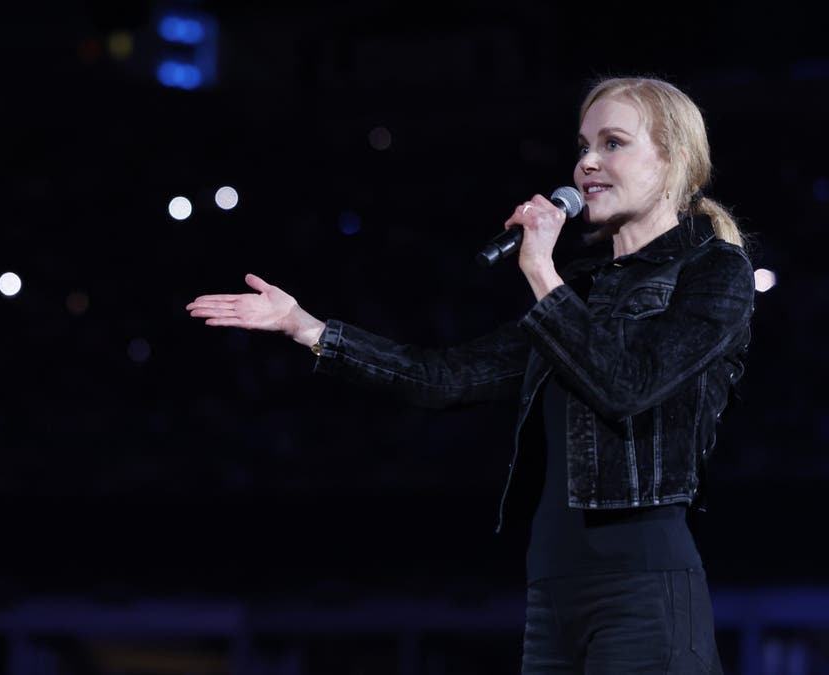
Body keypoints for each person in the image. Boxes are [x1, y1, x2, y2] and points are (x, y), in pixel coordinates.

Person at [186, 76, 754, 673]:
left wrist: (540, 270)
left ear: (674, 158)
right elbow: (447, 378)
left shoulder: (714, 272)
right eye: (583, 145)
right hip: (552, 596)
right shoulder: (579, 289)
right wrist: (310, 328)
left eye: (613, 143)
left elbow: (629, 386)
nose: (586, 162)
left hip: (644, 593)